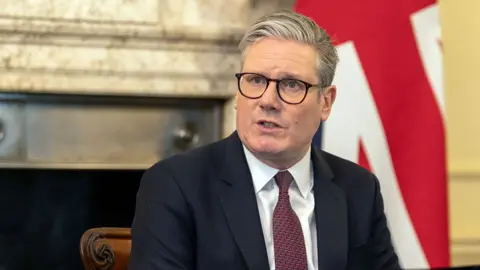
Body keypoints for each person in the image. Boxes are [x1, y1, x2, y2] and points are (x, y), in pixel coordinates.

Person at [128, 10, 400, 270]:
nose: (267, 101)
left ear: (325, 102)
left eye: (291, 84)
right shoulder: (177, 185)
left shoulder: (358, 189)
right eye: (256, 80)